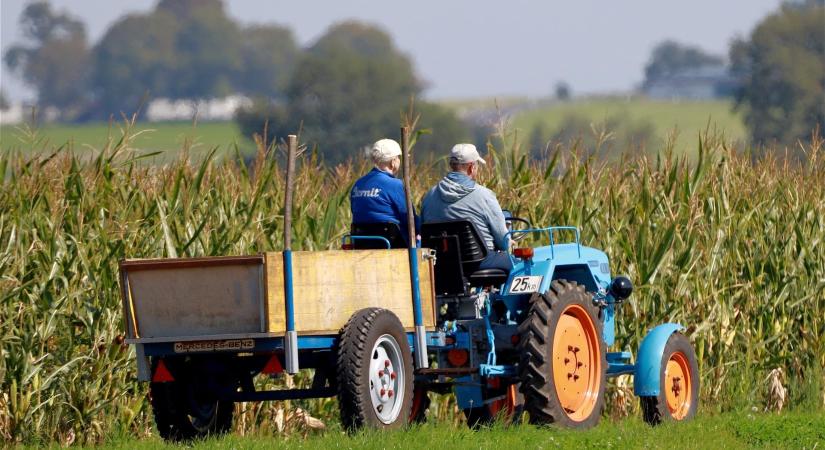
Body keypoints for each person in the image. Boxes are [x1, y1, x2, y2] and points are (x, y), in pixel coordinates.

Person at [421, 143, 512, 271]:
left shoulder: (429, 196)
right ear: (471, 167)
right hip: (480, 262)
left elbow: (422, 231)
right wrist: (508, 243)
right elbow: (503, 242)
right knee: (519, 264)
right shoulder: (484, 195)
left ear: (451, 165)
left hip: (442, 265)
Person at [350, 138, 418, 246]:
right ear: (393, 162)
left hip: (361, 244)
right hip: (391, 244)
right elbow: (410, 219)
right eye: (398, 158)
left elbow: (355, 211)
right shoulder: (395, 184)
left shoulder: (358, 184)